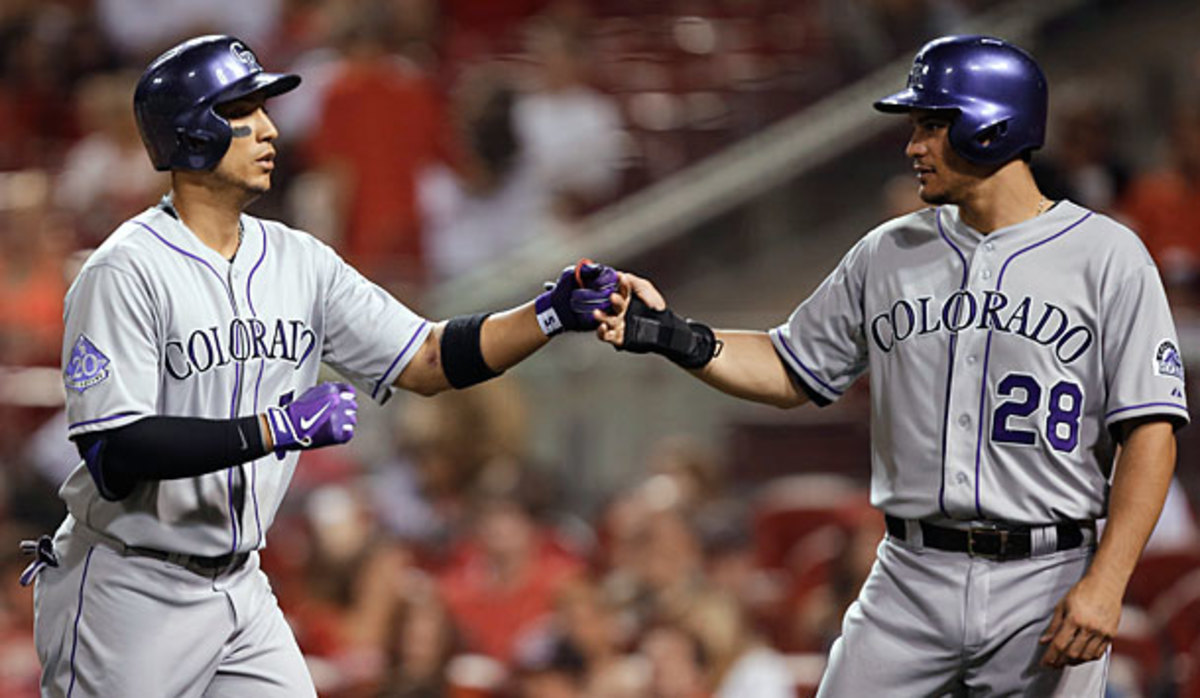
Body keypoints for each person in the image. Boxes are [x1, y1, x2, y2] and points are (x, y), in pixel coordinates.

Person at [24, 34, 616, 698]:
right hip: (128, 587)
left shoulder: (300, 261)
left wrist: (546, 315)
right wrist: (274, 430)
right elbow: (115, 448)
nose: (270, 129)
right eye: (244, 110)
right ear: (191, 132)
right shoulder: (124, 270)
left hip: (240, 583)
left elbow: (425, 357)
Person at [595, 35, 1189, 696]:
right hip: (911, 572)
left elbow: (1150, 430)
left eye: (932, 126)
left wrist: (1107, 582)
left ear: (992, 126)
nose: (914, 146)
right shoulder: (888, 252)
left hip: (1045, 574)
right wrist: (673, 336)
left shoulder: (1107, 255)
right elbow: (792, 367)